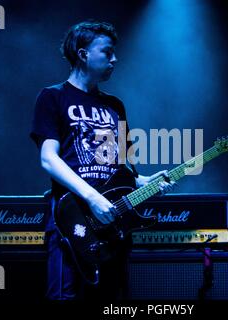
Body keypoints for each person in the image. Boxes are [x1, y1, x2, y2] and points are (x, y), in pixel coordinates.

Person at [30, 20, 175, 300]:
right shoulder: (53, 97)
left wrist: (147, 182)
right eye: (107, 52)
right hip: (72, 218)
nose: (115, 59)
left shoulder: (115, 106)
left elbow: (123, 170)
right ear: (83, 54)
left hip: (113, 226)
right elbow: (49, 159)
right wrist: (93, 198)